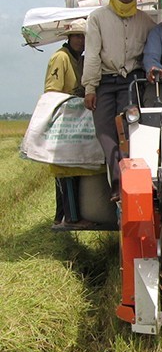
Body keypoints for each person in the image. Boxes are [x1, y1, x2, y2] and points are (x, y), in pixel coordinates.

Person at [83, 0, 155, 202]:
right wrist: (90, 88)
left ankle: (131, 182)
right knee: (104, 131)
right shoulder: (97, 18)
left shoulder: (146, 22)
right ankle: (116, 183)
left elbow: (154, 50)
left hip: (131, 81)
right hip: (105, 80)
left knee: (128, 130)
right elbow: (92, 55)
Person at [44, 18, 96, 227]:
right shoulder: (61, 58)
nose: (80, 41)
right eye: (76, 36)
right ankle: (72, 218)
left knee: (69, 168)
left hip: (77, 118)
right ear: (69, 37)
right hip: (65, 118)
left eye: (84, 37)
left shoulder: (79, 60)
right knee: (67, 170)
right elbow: (52, 91)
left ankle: (60, 217)